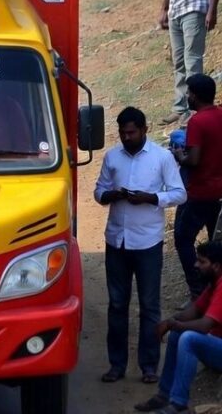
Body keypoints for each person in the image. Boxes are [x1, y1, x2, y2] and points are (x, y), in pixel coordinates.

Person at [94, 106, 186, 385]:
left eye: (131, 132)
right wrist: (114, 195)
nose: (126, 137)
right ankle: (116, 365)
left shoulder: (162, 157)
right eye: (122, 133)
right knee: (117, 304)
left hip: (148, 242)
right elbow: (99, 191)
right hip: (117, 241)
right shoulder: (112, 157)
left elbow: (180, 193)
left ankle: (148, 366)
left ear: (144, 130)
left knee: (149, 305)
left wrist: (150, 198)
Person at [134, 240, 222, 414]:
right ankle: (164, 395)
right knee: (177, 333)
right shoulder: (214, 283)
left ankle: (179, 402)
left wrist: (175, 324)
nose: (196, 265)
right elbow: (195, 310)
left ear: (217, 266)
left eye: (202, 262)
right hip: (216, 345)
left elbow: (205, 326)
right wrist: (170, 322)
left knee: (188, 338)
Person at [171, 74, 222, 297]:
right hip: (218, 193)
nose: (188, 96)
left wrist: (179, 155)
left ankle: (198, 290)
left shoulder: (197, 121)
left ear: (196, 96)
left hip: (199, 191)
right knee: (215, 243)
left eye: (190, 92)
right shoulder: (220, 115)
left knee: (183, 238)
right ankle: (215, 289)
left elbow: (193, 160)